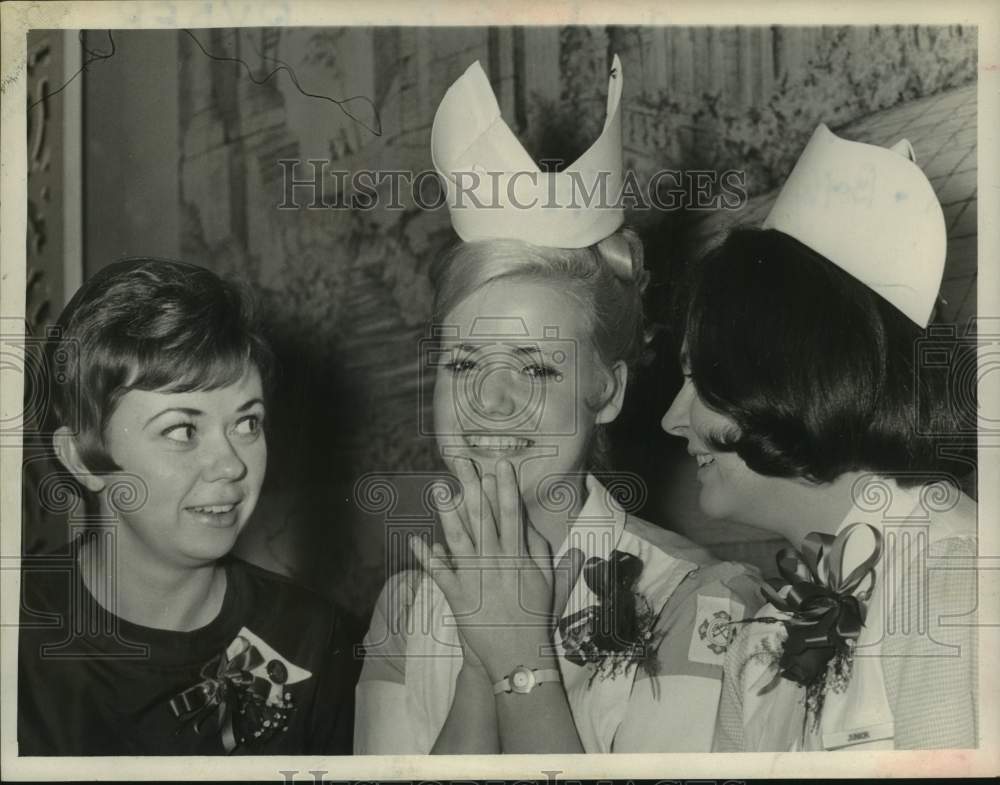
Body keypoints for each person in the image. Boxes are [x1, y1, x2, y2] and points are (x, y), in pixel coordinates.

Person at [354, 55, 761, 754]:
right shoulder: (405, 610)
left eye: (537, 367)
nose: (490, 400)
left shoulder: (698, 599)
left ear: (609, 391)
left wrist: (518, 659)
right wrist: (479, 664)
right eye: (463, 362)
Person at [662, 125, 978, 750]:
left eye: (700, 382)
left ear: (796, 383)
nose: (672, 419)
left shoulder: (956, 585)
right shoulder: (763, 639)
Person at [18, 259, 356, 755]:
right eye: (182, 430)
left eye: (247, 423)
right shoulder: (15, 629)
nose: (231, 465)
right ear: (83, 458)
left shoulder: (315, 638)